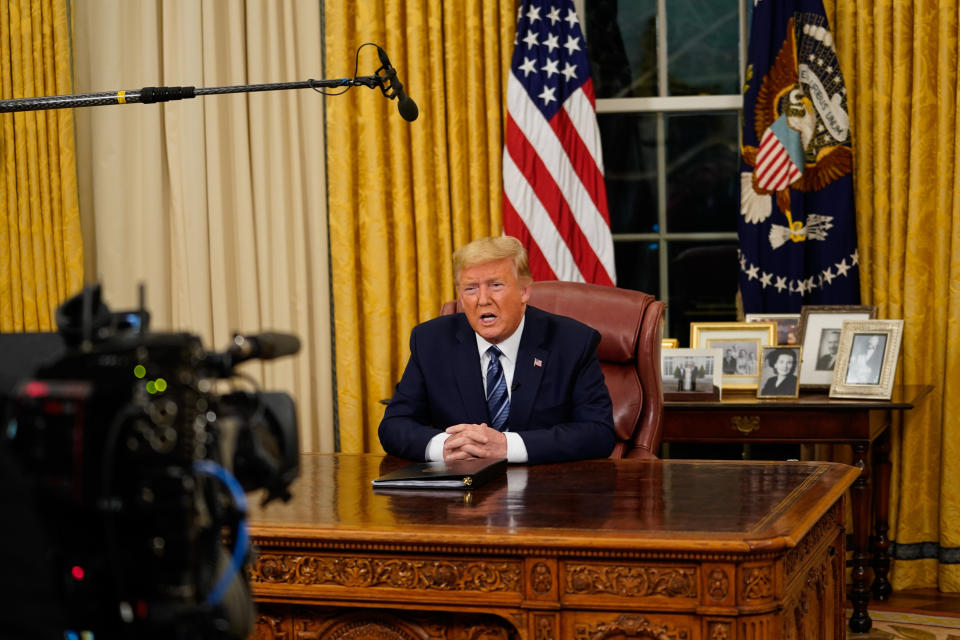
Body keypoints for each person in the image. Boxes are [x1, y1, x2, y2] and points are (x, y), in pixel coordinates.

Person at [379, 236, 615, 465]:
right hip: (461, 495)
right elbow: (394, 425)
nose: (483, 300)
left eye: (495, 285)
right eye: (470, 289)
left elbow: (598, 432)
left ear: (524, 291)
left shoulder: (572, 342)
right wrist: (446, 446)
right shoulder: (431, 342)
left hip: (545, 493)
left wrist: (506, 446)